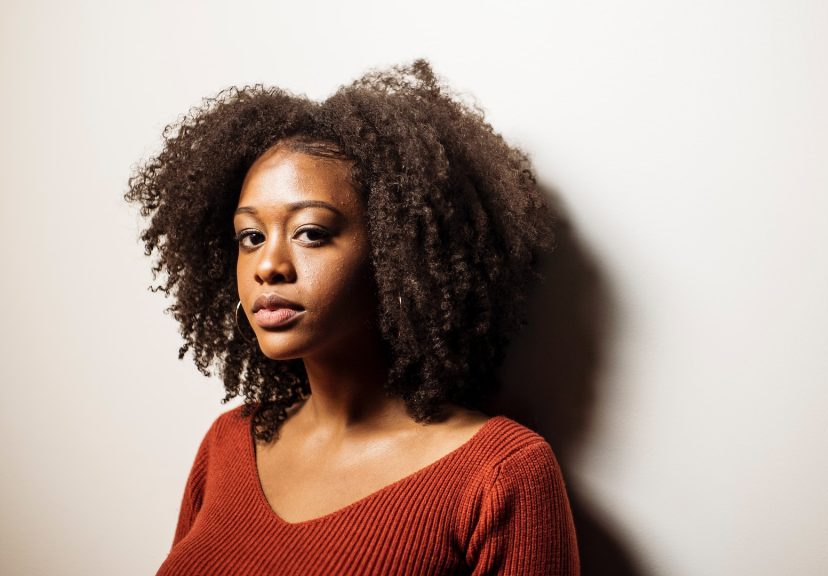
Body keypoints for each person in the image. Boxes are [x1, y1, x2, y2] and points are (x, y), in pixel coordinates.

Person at [125, 59, 580, 575]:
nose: (268, 266)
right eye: (251, 237)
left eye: (312, 233)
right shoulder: (228, 443)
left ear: (396, 253)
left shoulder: (499, 474)